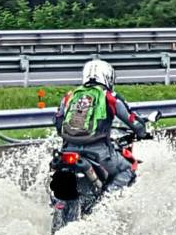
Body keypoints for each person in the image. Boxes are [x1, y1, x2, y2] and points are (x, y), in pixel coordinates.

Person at [54, 59, 150, 190]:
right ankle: (106, 202)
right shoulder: (110, 97)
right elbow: (132, 121)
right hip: (99, 153)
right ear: (108, 76)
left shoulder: (69, 96)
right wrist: (142, 132)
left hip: (67, 150)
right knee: (128, 169)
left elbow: (58, 123)